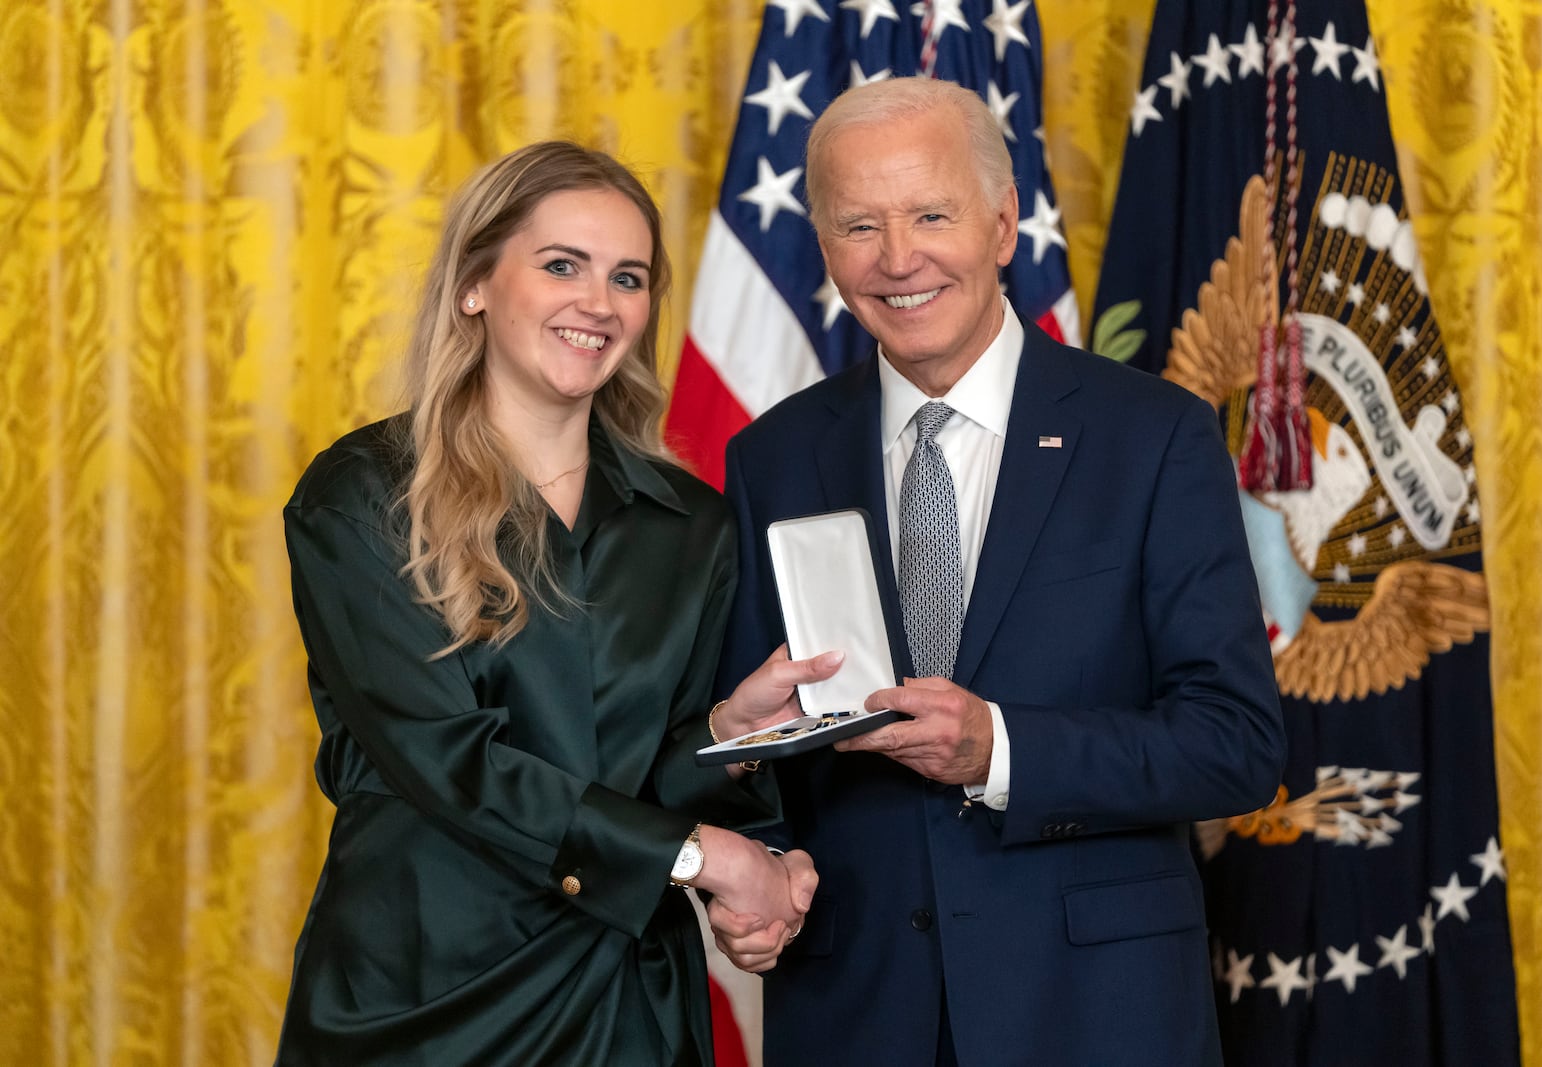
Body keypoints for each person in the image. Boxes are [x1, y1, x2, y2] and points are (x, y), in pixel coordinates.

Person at [708, 78, 1286, 1066]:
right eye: (859, 225)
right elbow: (761, 757)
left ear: (1005, 224)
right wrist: (749, 814)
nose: (898, 259)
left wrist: (1001, 748)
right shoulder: (774, 455)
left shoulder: (1152, 437)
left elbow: (1233, 743)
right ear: (824, 247)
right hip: (855, 1010)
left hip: (1097, 1012)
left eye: (932, 213)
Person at [275, 141, 819, 1066]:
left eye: (628, 277)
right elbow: (453, 763)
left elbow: (630, 773)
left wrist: (725, 734)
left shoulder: (690, 522)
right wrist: (706, 858)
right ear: (475, 284)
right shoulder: (364, 495)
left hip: (627, 996)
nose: (598, 304)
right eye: (562, 264)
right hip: (425, 1002)